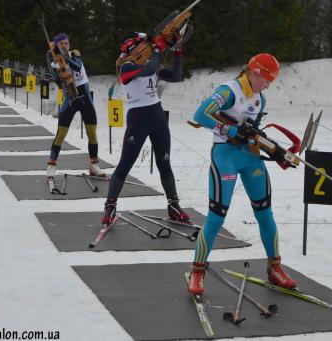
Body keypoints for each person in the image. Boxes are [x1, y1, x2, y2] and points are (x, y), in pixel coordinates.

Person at [187, 53, 299, 295]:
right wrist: (228, 130)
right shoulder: (228, 91)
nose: (269, 84)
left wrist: (275, 151)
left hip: (250, 158)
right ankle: (197, 270)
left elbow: (253, 135)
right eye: (267, 79)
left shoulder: (261, 99)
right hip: (225, 156)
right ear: (254, 72)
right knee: (216, 216)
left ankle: (275, 267)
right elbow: (200, 115)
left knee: (265, 212)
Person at [101, 32, 189, 225]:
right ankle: (110, 206)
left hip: (156, 115)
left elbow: (177, 76)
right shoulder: (126, 66)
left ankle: (173, 204)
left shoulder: (149, 62)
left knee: (164, 162)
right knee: (125, 165)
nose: (144, 47)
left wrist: (178, 54)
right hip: (138, 118)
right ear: (131, 50)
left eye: (145, 44)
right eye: (141, 45)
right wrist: (157, 49)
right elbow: (148, 70)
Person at [46, 32, 105, 177]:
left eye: (66, 43)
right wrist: (59, 75)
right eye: (61, 44)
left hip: (85, 98)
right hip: (70, 99)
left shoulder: (74, 54)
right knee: (61, 134)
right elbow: (57, 80)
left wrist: (65, 57)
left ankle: (94, 165)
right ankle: (52, 164)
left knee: (92, 133)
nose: (64, 46)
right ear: (56, 47)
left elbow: (78, 67)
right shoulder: (54, 62)